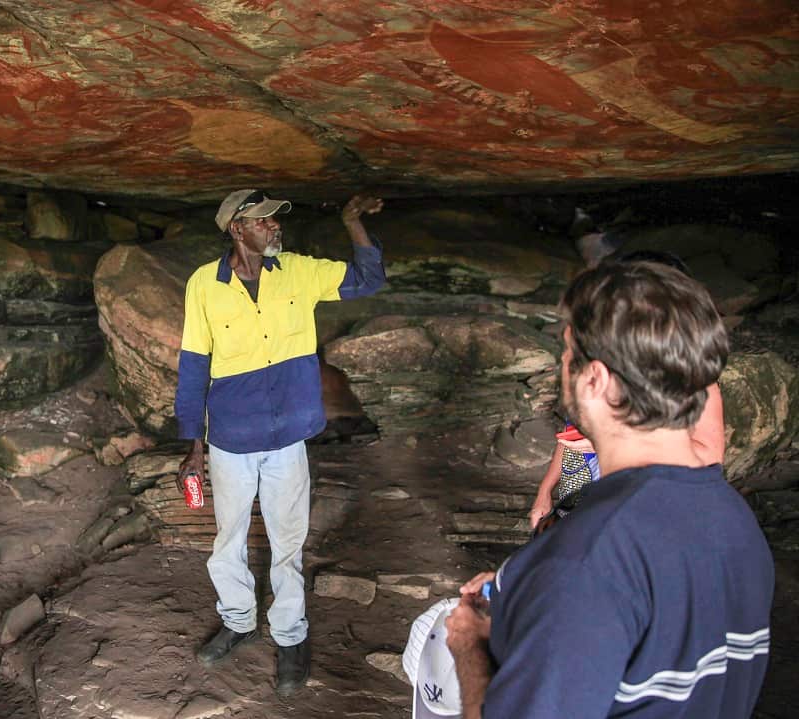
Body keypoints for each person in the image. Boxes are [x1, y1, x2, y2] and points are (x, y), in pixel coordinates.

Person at [446, 260, 774, 719]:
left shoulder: (585, 560)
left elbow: (592, 589)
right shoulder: (734, 520)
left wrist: (470, 644)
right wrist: (521, 585)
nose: (563, 365)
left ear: (595, 379)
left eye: (566, 353)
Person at [174, 189, 386, 695]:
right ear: (237, 229)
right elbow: (193, 368)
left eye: (275, 220)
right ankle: (239, 622)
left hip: (288, 435)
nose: (274, 228)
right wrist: (193, 444)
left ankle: (291, 636)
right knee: (228, 541)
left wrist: (352, 221)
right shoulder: (205, 284)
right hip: (231, 436)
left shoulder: (298, 271)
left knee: (287, 542)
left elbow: (367, 280)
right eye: (263, 221)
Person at [528, 250, 727, 529]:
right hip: (587, 491)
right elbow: (570, 436)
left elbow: (708, 458)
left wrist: (610, 437)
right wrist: (545, 491)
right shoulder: (612, 362)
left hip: (641, 502)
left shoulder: (693, 377)